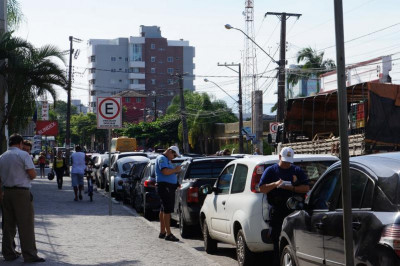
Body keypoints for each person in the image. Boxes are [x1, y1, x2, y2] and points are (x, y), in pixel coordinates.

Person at [257, 147, 310, 266]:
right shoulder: (271, 171)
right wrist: (275, 184)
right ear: (279, 157)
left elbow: (306, 188)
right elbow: (262, 188)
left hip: (293, 210)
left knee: (294, 239)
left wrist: (291, 187)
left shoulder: (296, 170)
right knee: (276, 240)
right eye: (285, 161)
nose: (286, 164)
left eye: (289, 162)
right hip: (277, 210)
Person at [0, 133, 45, 262]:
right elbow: (32, 174)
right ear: (20, 143)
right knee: (25, 224)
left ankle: (8, 253)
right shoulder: (23, 155)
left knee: (8, 224)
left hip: (6, 192)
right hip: (21, 192)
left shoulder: (2, 157)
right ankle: (29, 254)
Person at [155, 146, 182, 242]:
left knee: (163, 209)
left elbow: (168, 173)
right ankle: (169, 233)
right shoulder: (162, 158)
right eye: (174, 155)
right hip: (165, 187)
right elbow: (165, 171)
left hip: (167, 187)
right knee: (167, 210)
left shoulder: (166, 159)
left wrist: (176, 183)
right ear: (170, 151)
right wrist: (176, 170)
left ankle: (163, 232)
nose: (173, 158)